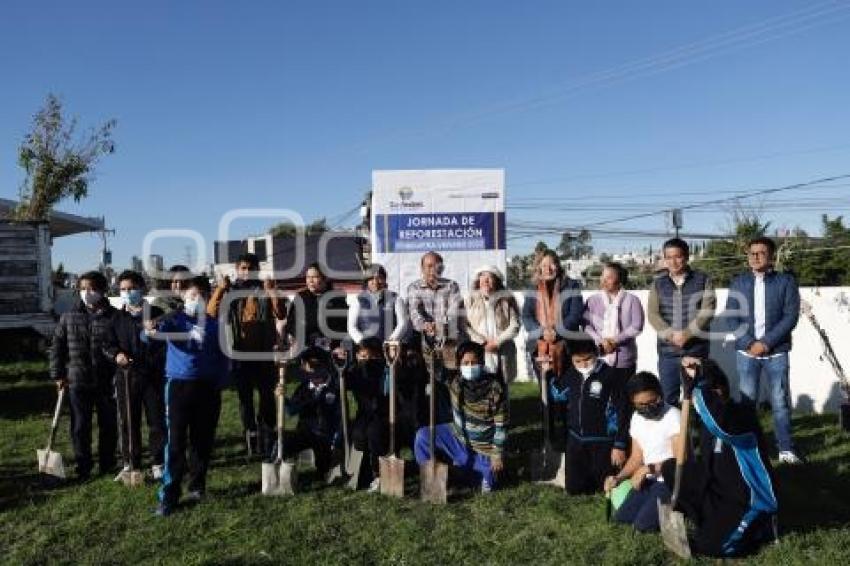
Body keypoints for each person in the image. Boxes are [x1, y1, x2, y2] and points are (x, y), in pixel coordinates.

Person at [663, 357, 778, 558]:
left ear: (722, 389)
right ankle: (708, 520)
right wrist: (691, 387)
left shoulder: (741, 417)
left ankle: (759, 528)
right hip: (716, 488)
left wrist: (698, 386)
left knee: (713, 547)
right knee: (670, 468)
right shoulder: (708, 420)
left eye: (712, 390)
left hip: (744, 499)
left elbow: (720, 423)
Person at [146, 276, 227, 517]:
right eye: (192, 295)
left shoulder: (215, 324)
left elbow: (225, 357)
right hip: (180, 386)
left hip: (208, 388)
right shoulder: (174, 320)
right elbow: (149, 336)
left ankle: (197, 486)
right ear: (184, 297)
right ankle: (169, 494)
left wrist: (221, 382)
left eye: (201, 295)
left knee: (203, 439)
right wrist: (151, 329)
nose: (197, 299)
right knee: (176, 442)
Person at [725, 236, 802, 464]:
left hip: (776, 351)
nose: (756, 257)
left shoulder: (786, 282)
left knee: (780, 402)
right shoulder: (739, 282)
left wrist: (766, 342)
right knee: (747, 402)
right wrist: (750, 343)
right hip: (747, 353)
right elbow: (732, 317)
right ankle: (750, 448)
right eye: (752, 253)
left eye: (761, 253)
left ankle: (786, 448)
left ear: (771, 257)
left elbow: (790, 317)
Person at [207, 253, 286, 458]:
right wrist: (221, 288)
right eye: (243, 267)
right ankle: (250, 436)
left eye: (250, 267)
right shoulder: (230, 290)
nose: (246, 271)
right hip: (239, 353)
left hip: (264, 353)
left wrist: (271, 291)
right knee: (245, 400)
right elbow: (211, 312)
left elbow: (281, 313)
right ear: (236, 268)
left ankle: (267, 436)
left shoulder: (264, 287)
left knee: (267, 397)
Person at [49, 270, 119, 481]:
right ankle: (83, 465)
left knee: (108, 424)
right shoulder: (68, 317)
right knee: (80, 426)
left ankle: (107, 463)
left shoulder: (114, 316)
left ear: (102, 290)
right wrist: (58, 374)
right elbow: (57, 348)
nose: (87, 293)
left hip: (106, 380)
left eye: (92, 288)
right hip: (77, 380)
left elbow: (119, 346)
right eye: (83, 288)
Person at [413, 341, 507, 492]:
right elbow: (434, 368)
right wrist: (430, 343)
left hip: (481, 448)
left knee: (491, 478)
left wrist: (497, 454)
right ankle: (433, 476)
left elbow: (501, 426)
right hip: (457, 437)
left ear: (482, 363)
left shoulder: (495, 388)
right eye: (466, 363)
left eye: (474, 362)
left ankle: (458, 471)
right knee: (423, 436)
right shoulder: (456, 382)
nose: (470, 367)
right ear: (459, 364)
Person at [105, 270, 167, 481]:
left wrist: (155, 334)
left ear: (142, 289)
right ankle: (131, 462)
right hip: (126, 376)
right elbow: (107, 343)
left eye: (131, 288)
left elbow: (167, 343)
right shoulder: (116, 318)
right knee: (128, 421)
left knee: (156, 421)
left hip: (153, 375)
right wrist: (116, 355)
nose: (127, 292)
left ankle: (158, 462)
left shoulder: (156, 313)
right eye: (123, 289)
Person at [549, 336, 629, 495]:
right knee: (574, 489)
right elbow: (559, 396)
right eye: (577, 361)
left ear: (596, 354)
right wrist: (550, 375)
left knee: (605, 487)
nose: (583, 365)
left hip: (603, 441)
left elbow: (624, 411)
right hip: (576, 440)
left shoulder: (611, 376)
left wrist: (619, 445)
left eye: (588, 359)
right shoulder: (571, 374)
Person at [604, 371, 681, 532]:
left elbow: (679, 461)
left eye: (653, 401)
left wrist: (647, 469)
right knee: (622, 519)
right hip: (648, 480)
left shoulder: (674, 416)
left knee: (642, 527)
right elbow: (636, 458)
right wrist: (618, 478)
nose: (649, 408)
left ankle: (681, 506)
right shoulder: (636, 419)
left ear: (660, 393)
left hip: (670, 481)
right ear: (633, 402)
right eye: (641, 405)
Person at [647, 238, 716, 406]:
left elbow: (707, 310)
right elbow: (652, 314)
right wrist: (670, 335)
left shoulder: (702, 279)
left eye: (677, 256)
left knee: (698, 397)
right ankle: (676, 432)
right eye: (668, 257)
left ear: (686, 257)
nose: (673, 261)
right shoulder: (658, 283)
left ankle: (699, 431)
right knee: (668, 398)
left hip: (695, 349)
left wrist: (687, 334)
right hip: (667, 352)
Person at [521, 249, 583, 381]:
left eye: (552, 264)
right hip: (539, 346)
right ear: (538, 268)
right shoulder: (533, 288)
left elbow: (575, 315)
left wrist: (556, 331)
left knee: (569, 390)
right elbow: (527, 316)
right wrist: (542, 332)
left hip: (566, 346)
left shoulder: (571, 286)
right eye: (543, 265)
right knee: (545, 391)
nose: (548, 269)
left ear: (558, 265)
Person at [282, 346, 342, 479]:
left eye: (314, 365)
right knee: (282, 443)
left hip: (327, 436)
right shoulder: (304, 387)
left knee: (324, 469)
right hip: (306, 432)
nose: (309, 370)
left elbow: (338, 415)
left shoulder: (336, 386)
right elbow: (291, 410)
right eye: (306, 366)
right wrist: (283, 399)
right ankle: (285, 474)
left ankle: (326, 467)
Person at [584, 262, 644, 383]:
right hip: (598, 355)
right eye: (602, 276)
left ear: (620, 279)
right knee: (598, 395)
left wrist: (614, 340)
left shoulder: (632, 300)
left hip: (624, 357)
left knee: (622, 396)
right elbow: (586, 325)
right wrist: (601, 341)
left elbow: (637, 326)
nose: (604, 281)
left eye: (609, 277)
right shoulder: (592, 301)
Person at [463, 265, 520, 383]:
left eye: (490, 277)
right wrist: (482, 342)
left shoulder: (506, 300)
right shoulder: (470, 299)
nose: (485, 280)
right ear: (478, 281)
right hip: (478, 351)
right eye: (482, 277)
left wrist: (496, 343)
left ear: (497, 281)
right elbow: (464, 325)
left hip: (502, 352)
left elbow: (515, 325)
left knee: (502, 387)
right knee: (479, 388)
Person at [347, 338, 390, 492]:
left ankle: (378, 473)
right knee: (358, 433)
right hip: (364, 414)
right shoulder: (355, 371)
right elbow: (344, 381)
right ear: (357, 355)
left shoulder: (386, 370)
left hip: (384, 414)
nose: (367, 361)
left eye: (372, 357)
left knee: (374, 433)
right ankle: (358, 473)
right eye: (363, 357)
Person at [284, 262, 349, 353]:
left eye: (315, 277)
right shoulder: (301, 298)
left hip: (331, 347)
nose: (310, 281)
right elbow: (291, 324)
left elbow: (343, 325)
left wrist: (334, 344)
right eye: (308, 277)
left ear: (325, 278)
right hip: (304, 345)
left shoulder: (336, 299)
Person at [406, 251, 465, 344]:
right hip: (422, 339)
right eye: (429, 266)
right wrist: (426, 325)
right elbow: (414, 312)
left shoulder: (452, 286)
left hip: (448, 338)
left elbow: (454, 312)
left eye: (437, 266)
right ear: (422, 268)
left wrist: (439, 326)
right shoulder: (414, 287)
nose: (433, 270)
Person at [348, 263, 409, 346]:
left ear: (384, 279)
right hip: (365, 347)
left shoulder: (396, 298)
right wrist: (362, 341)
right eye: (371, 278)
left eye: (379, 278)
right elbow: (351, 326)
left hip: (390, 348)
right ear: (367, 281)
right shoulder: (358, 300)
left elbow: (402, 323)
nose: (375, 282)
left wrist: (391, 341)